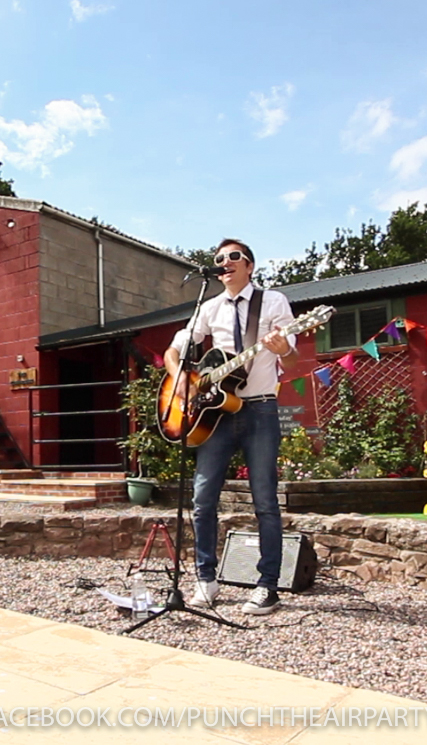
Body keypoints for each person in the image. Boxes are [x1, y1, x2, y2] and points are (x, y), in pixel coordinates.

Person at [163, 239, 298, 616]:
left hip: (259, 411)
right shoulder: (208, 307)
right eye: (219, 259)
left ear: (250, 266)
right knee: (203, 499)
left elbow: (290, 345)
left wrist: (281, 346)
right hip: (215, 415)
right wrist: (182, 382)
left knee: (265, 502)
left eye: (233, 257)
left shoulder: (273, 302)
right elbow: (173, 351)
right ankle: (206, 580)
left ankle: (267, 586)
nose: (225, 262)